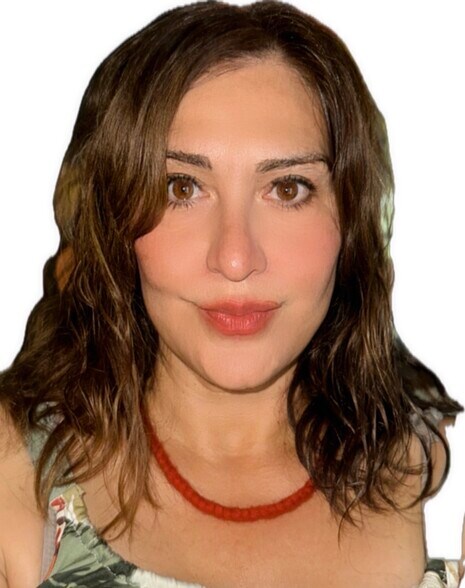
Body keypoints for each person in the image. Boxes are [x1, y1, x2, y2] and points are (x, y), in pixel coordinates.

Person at [0, 1, 462, 586]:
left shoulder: (445, 482)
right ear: (114, 220)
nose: (236, 258)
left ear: (352, 220)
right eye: (182, 188)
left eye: (288, 189)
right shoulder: (16, 474)